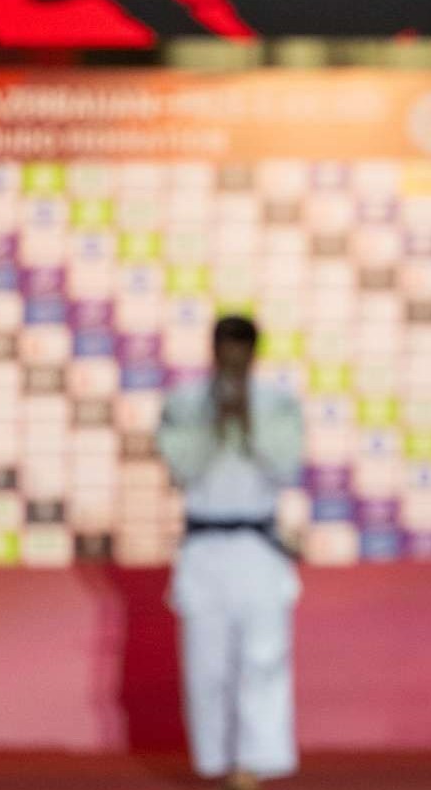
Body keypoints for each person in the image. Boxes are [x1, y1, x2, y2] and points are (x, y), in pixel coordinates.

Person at [158, 315, 305, 790]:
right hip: (204, 549)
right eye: (227, 348)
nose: (234, 358)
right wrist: (218, 421)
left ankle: (252, 767)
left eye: (243, 349)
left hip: (258, 547)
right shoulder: (184, 404)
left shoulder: (278, 404)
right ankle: (219, 760)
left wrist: (248, 417)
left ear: (254, 352)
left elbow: (285, 464)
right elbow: (181, 467)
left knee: (263, 660)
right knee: (208, 666)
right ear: (215, 349)